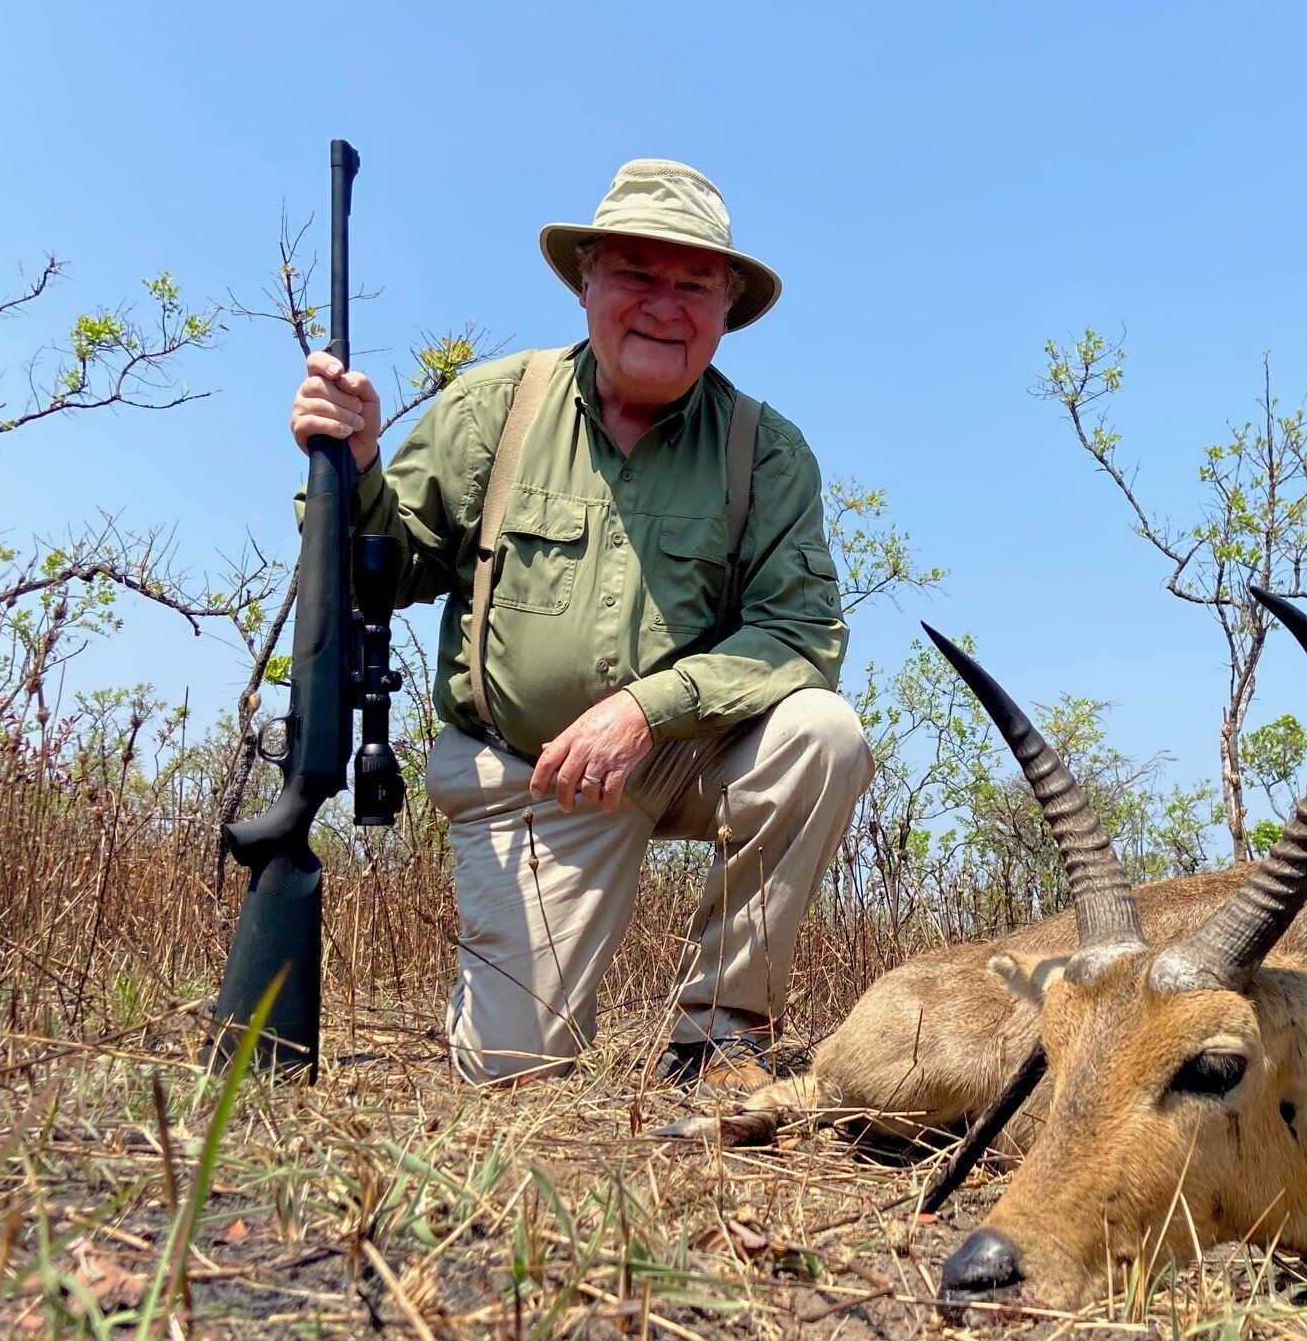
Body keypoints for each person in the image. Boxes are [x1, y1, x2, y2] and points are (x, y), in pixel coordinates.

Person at [287, 159, 870, 1087]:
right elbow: (383, 572)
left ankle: (717, 1038)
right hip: (531, 774)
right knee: (514, 1081)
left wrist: (647, 710)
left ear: (727, 311)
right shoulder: (495, 406)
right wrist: (353, 463)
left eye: (694, 285)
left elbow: (799, 636)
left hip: (683, 753)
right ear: (588, 282)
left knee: (821, 734)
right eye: (638, 273)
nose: (664, 306)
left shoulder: (768, 450)